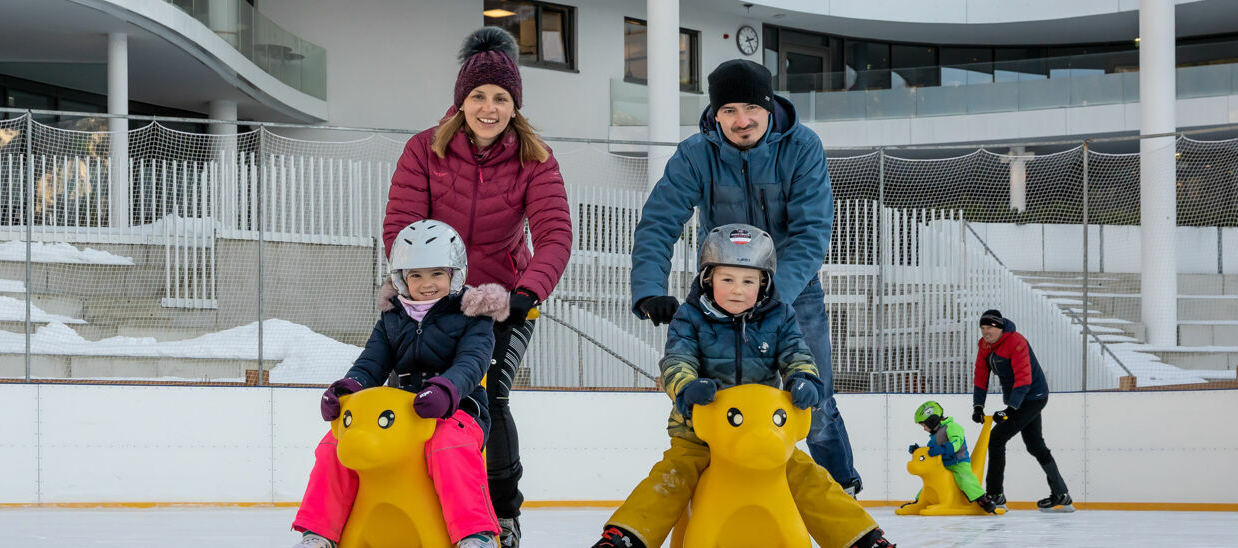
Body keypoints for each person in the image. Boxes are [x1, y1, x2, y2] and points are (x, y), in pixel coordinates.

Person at [627, 58, 863, 495]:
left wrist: (776, 295)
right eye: (729, 110)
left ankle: (842, 490)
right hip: (721, 292)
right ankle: (718, 490)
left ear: (769, 107)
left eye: (751, 109)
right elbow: (660, 220)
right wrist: (649, 290)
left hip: (793, 292)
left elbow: (812, 230)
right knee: (714, 398)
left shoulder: (801, 146)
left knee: (813, 396)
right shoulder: (697, 153)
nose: (742, 120)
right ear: (715, 114)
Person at [382, 26, 573, 547]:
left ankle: (503, 514)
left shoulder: (536, 158)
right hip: (433, 298)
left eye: (501, 98)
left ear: (515, 105)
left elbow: (555, 234)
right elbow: (401, 226)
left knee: (491, 397)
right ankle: (416, 496)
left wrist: (525, 295)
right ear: (461, 100)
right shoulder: (424, 149)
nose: (489, 108)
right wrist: (418, 286)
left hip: (502, 300)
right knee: (412, 391)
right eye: (478, 96)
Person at [593, 224, 894, 548]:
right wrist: (686, 388)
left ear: (764, 282)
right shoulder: (690, 318)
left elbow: (796, 353)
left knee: (808, 476)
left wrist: (804, 378)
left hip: (763, 434)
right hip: (699, 433)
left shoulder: (779, 317)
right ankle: (627, 536)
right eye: (727, 280)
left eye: (748, 281)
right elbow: (676, 360)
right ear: (708, 279)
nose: (737, 289)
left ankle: (862, 539)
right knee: (673, 475)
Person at [291, 220, 514, 548]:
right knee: (335, 443)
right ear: (401, 278)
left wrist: (446, 390)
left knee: (447, 445)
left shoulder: (473, 316)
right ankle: (319, 533)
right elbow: (371, 362)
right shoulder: (393, 317)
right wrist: (347, 389)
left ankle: (475, 534)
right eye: (416, 275)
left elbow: (471, 364)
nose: (427, 284)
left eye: (437, 274)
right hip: (402, 412)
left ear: (454, 274)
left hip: (459, 409)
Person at [971, 309, 1072, 511]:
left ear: (1000, 327)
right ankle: (1061, 494)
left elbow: (1024, 378)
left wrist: (1010, 409)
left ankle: (995, 494)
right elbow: (981, 374)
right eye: (982, 327)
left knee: (997, 438)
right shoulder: (985, 345)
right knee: (1035, 445)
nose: (985, 332)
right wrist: (978, 405)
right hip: (1016, 399)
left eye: (989, 327)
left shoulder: (1016, 342)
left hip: (1033, 397)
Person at [905, 401, 998, 513]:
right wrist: (918, 450)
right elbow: (929, 452)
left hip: (959, 463)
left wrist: (944, 449)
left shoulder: (952, 427)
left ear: (932, 420)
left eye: (924, 425)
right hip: (944, 465)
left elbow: (957, 442)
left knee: (964, 479)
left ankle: (982, 499)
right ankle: (918, 501)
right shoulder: (934, 436)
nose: (924, 429)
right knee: (930, 482)